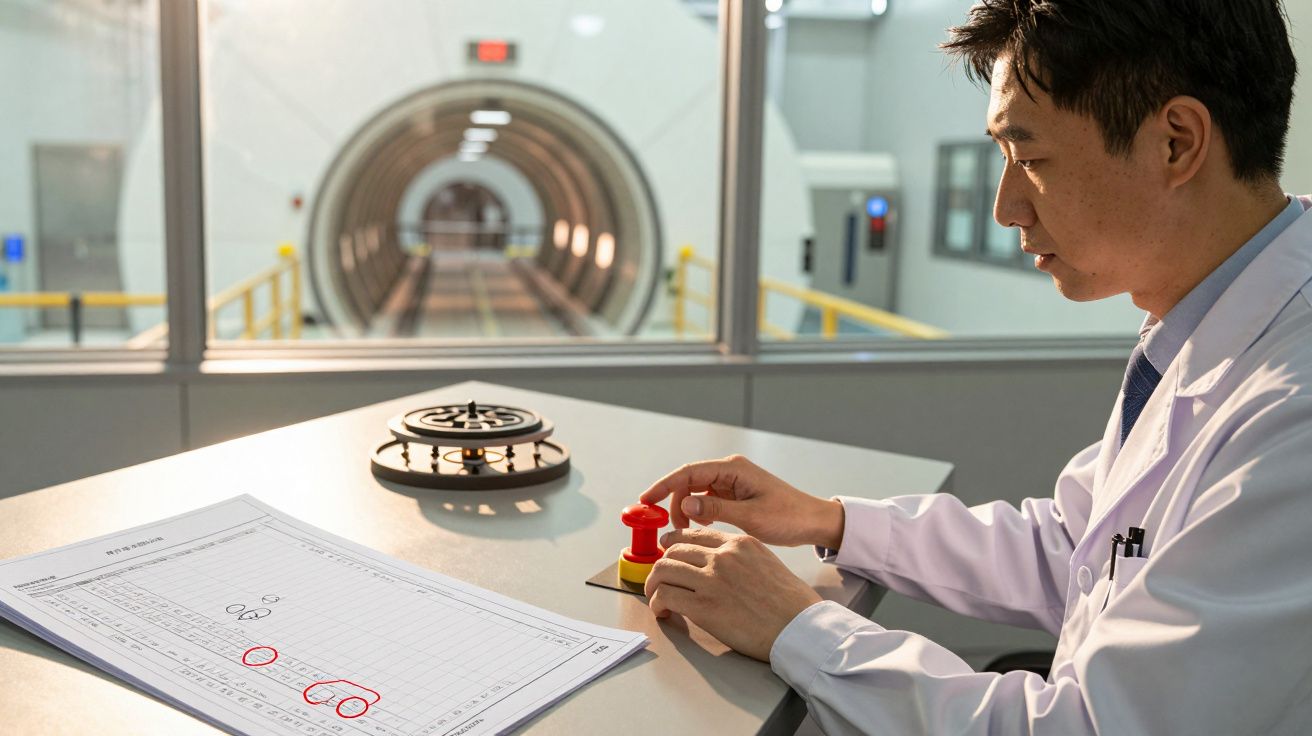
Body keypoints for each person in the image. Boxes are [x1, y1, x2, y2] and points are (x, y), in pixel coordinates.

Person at [639, 0, 1312, 732]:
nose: (1005, 206)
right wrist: (827, 520)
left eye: (1029, 158)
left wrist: (796, 628)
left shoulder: (1292, 413)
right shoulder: (1203, 323)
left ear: (1176, 143)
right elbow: (1077, 551)